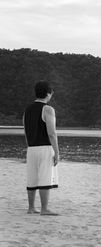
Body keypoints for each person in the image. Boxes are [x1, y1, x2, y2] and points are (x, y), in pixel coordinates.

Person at [23, 81, 59, 215]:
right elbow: (52, 133)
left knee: (32, 178)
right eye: (51, 93)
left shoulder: (27, 110)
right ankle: (44, 208)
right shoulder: (48, 109)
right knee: (45, 177)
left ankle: (31, 207)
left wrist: (30, 146)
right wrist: (57, 151)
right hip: (44, 148)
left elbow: (26, 132)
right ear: (48, 93)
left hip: (31, 148)